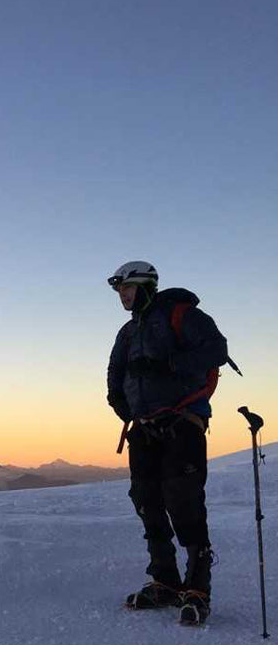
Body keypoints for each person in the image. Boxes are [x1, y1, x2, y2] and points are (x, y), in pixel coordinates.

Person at [106, 261, 229, 625]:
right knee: (147, 500)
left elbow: (216, 350)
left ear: (144, 285)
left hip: (183, 421)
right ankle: (165, 580)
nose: (122, 297)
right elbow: (116, 370)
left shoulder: (182, 314)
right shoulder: (128, 332)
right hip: (143, 426)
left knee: (184, 501)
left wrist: (170, 365)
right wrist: (119, 402)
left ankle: (197, 588)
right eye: (119, 292)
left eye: (127, 289)